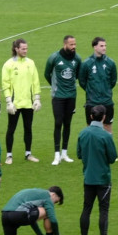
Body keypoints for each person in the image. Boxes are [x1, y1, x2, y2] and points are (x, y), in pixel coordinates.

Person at [77, 105, 118, 235]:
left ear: (91, 117)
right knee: (103, 210)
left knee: (86, 208)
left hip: (88, 177)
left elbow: (79, 154)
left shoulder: (83, 133)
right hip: (103, 178)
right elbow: (113, 158)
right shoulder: (106, 135)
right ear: (104, 117)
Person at [2, 38, 42, 164]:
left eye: (26, 48)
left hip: (28, 103)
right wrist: (9, 101)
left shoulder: (30, 63)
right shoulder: (8, 64)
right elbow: (5, 84)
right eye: (23, 49)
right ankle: (9, 155)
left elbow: (36, 81)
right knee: (11, 128)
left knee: (28, 128)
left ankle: (28, 153)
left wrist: (37, 98)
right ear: (16, 49)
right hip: (15, 103)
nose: (25, 51)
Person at [44, 35, 82, 165]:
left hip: (71, 96)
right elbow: (46, 74)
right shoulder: (54, 57)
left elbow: (77, 75)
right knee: (58, 123)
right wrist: (55, 86)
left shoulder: (77, 58)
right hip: (58, 96)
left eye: (75, 44)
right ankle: (56, 155)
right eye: (71, 44)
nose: (74, 47)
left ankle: (64, 153)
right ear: (65, 44)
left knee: (68, 123)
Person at [79, 37, 117, 133]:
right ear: (95, 47)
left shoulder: (111, 63)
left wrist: (106, 89)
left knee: (108, 127)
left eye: (105, 46)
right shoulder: (86, 63)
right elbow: (82, 81)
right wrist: (91, 90)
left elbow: (113, 81)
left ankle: (107, 147)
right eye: (101, 46)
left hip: (107, 101)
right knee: (90, 128)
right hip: (92, 102)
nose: (104, 48)